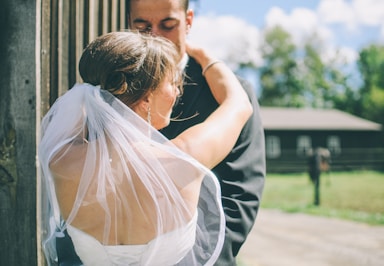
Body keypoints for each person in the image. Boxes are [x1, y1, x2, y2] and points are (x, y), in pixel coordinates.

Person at [39, 31, 253, 265]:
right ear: (147, 99)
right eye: (172, 83)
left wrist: (93, 94)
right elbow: (239, 104)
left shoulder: (61, 161)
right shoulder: (185, 158)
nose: (177, 91)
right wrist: (201, 54)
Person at [127, 0, 266, 265]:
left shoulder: (230, 93)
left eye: (168, 25)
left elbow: (240, 194)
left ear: (188, 21)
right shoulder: (112, 89)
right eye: (142, 26)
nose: (155, 36)